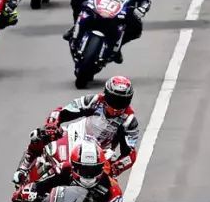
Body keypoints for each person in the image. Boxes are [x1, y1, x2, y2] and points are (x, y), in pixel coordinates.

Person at [13, 77, 141, 184]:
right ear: (106, 95)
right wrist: (52, 125)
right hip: (73, 135)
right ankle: (24, 168)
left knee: (111, 187)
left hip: (99, 153)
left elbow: (130, 155)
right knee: (39, 135)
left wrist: (114, 168)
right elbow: (61, 112)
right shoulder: (94, 101)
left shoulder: (129, 121)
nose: (117, 106)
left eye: (122, 101)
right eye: (114, 99)